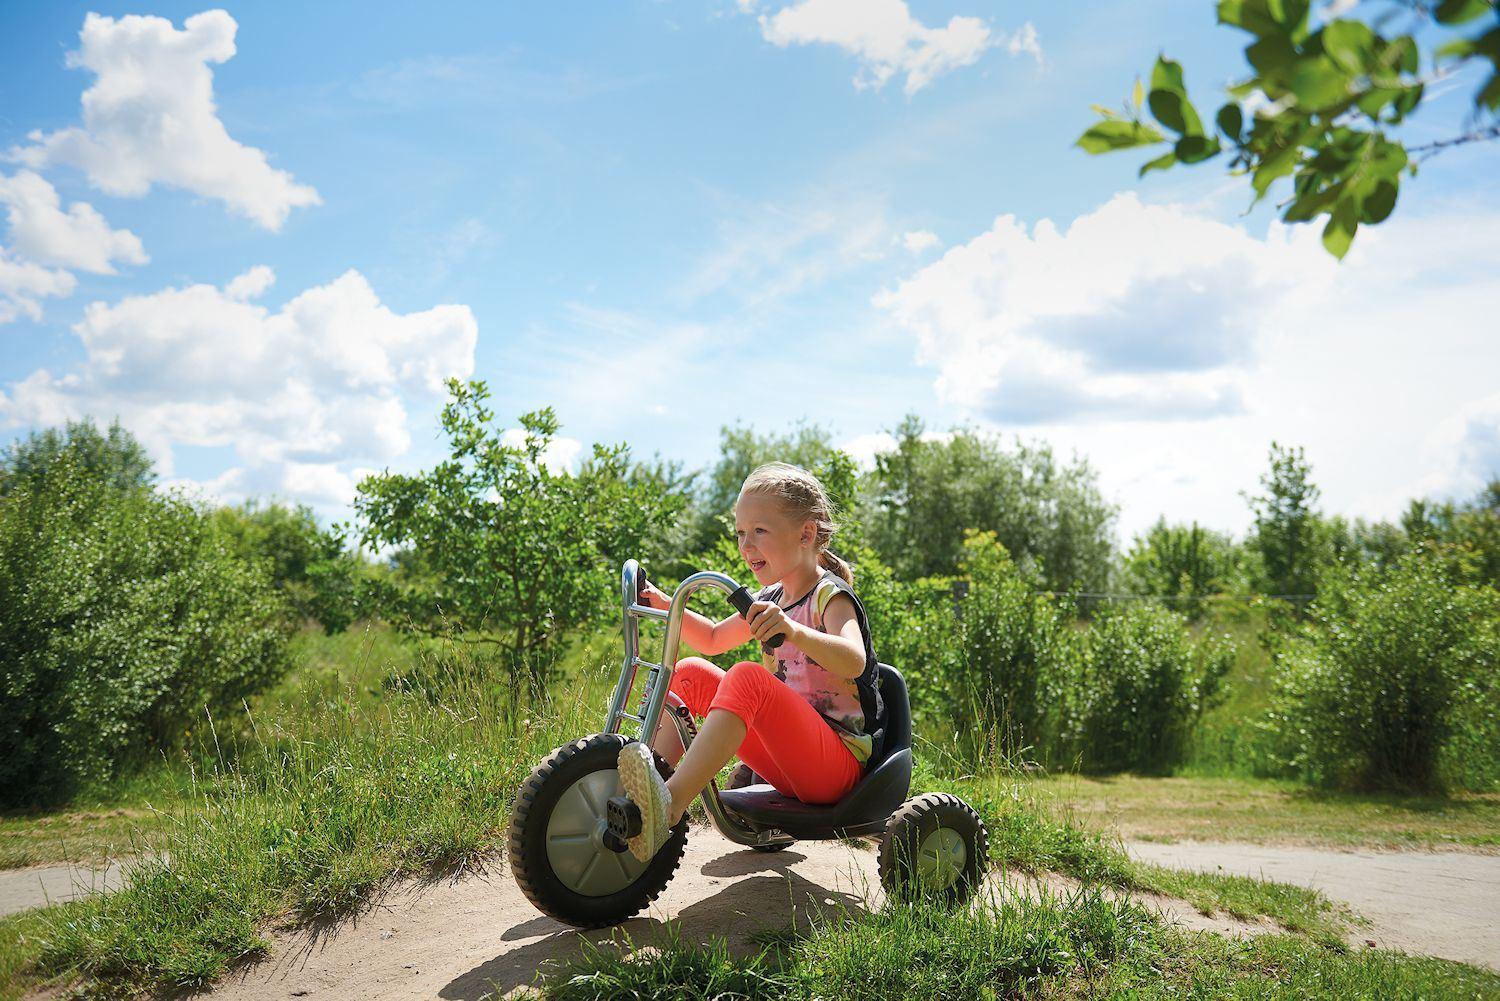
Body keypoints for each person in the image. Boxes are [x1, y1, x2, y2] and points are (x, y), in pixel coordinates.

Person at [616, 461, 884, 862]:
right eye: (741, 533)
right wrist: (663, 602)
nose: (746, 545)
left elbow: (854, 660)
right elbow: (710, 639)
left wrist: (793, 632)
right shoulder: (771, 599)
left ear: (806, 533)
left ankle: (668, 807)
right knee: (689, 673)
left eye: (759, 531)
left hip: (836, 767)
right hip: (789, 762)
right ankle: (642, 790)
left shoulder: (830, 597)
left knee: (748, 678)